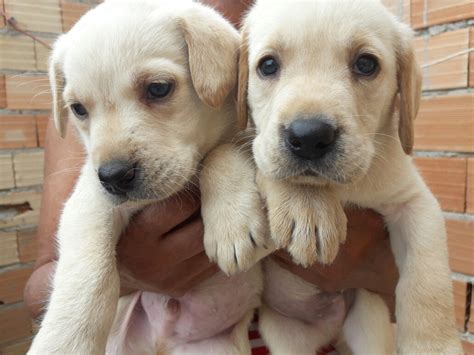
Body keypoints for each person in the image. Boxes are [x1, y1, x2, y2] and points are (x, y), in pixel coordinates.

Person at [24, 0, 398, 347]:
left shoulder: (317, 32)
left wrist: (359, 261)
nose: (111, 158)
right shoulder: (104, 45)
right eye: (78, 110)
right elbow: (42, 280)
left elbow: (254, 146)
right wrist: (129, 274)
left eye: (157, 89)